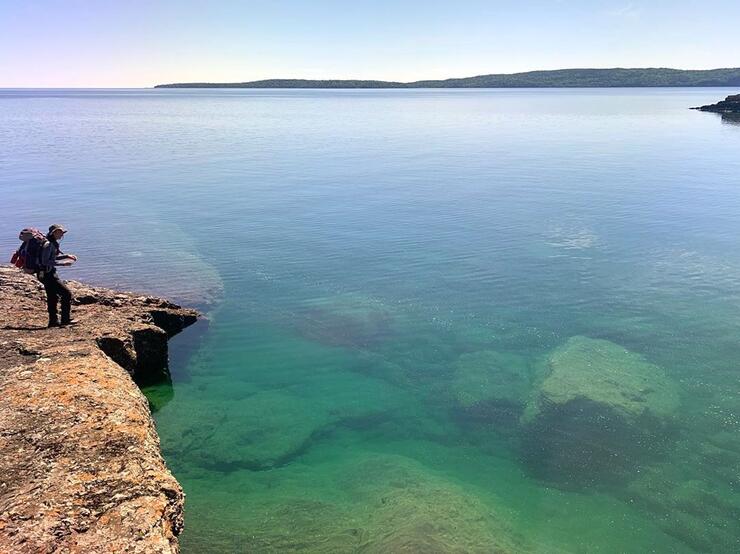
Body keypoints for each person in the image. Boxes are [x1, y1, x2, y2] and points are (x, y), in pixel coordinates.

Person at [39, 224, 78, 327]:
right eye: (60, 232)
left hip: (45, 274)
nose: (62, 235)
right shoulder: (48, 244)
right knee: (66, 294)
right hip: (48, 274)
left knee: (52, 297)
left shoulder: (52, 243)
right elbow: (45, 261)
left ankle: (53, 322)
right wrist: (62, 264)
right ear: (54, 233)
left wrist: (66, 256)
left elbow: (52, 258)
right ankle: (65, 320)